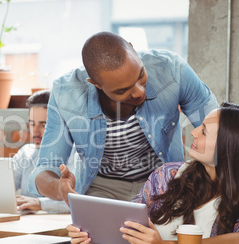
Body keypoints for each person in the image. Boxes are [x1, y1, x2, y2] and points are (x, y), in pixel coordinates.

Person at [27, 31, 218, 204]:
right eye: (122, 90)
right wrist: (60, 189)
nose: (138, 92)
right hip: (102, 191)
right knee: (98, 241)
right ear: (95, 84)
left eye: (140, 75)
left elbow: (219, 129)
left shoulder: (172, 69)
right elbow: (45, 168)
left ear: (132, 49)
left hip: (162, 184)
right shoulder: (65, 94)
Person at [67, 102, 239, 244]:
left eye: (204, 131)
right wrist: (93, 236)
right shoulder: (166, 176)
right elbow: (126, 223)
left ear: (230, 148)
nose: (193, 132)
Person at [14, 90, 73, 213]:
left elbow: (80, 201)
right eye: (32, 124)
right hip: (26, 221)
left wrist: (40, 204)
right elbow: (4, 187)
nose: (35, 133)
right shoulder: (26, 152)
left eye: (43, 125)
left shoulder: (76, 155)